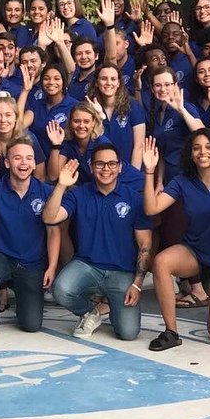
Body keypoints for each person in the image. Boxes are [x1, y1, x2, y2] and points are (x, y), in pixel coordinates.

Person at [142, 132, 210, 351]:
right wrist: (149, 170)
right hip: (196, 250)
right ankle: (171, 332)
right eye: (196, 147)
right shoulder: (182, 181)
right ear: (190, 153)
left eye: (208, 147)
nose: (202, 152)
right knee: (161, 262)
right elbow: (152, 208)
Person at [43, 143, 154, 341]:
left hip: (122, 272)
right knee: (61, 290)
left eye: (112, 164)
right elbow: (50, 218)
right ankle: (90, 313)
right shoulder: (79, 194)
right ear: (92, 167)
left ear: (120, 167)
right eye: (100, 164)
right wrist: (61, 185)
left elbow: (145, 245)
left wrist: (137, 284)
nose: (106, 169)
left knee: (128, 333)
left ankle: (115, 308)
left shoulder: (135, 199)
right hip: (87, 266)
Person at [0, 139, 59, 339]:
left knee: (31, 325)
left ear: (34, 164)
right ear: (7, 163)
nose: (24, 163)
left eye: (29, 158)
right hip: (1, 255)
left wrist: (52, 266)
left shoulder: (46, 192)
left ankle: (23, 302)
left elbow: (54, 232)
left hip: (32, 263)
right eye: (17, 158)